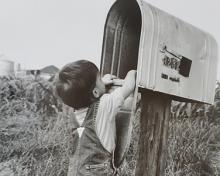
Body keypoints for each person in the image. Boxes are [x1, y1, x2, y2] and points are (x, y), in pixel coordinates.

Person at [55, 60, 136, 175]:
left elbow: (87, 92)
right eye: (99, 78)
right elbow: (128, 86)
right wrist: (132, 72)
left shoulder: (73, 111)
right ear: (95, 92)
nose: (102, 79)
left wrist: (100, 83)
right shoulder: (104, 105)